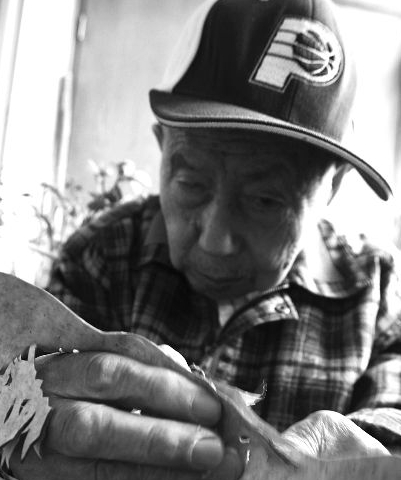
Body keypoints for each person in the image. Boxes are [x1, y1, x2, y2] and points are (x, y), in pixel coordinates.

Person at [8, 0, 401, 478]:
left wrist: (370, 455)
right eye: (191, 183)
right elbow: (24, 392)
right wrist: (23, 425)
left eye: (265, 201)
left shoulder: (378, 292)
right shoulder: (101, 255)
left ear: (331, 189)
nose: (216, 241)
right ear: (162, 147)